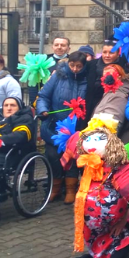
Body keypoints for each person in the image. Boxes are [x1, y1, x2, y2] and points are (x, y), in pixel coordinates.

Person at [53, 116, 129, 258]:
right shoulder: (89, 165)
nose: (92, 144)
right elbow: (72, 147)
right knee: (97, 255)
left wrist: (125, 219)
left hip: (123, 228)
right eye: (89, 139)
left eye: (98, 139)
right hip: (99, 230)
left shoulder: (120, 166)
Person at [37, 51, 88, 204]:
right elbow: (43, 96)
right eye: (72, 65)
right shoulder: (58, 76)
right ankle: (55, 188)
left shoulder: (87, 79)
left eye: (79, 66)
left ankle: (71, 189)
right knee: (53, 155)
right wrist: (42, 110)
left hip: (76, 126)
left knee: (72, 155)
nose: (75, 69)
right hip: (55, 124)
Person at [84, 39, 128, 126]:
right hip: (89, 107)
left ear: (117, 54)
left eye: (111, 53)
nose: (107, 55)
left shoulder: (123, 69)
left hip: (110, 110)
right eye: (104, 52)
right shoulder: (92, 65)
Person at [29, 35, 71, 104]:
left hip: (66, 101)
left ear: (68, 48)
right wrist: (34, 102)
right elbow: (33, 84)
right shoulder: (42, 61)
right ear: (52, 47)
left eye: (63, 45)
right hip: (45, 101)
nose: (59, 47)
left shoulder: (73, 61)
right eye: (56, 45)